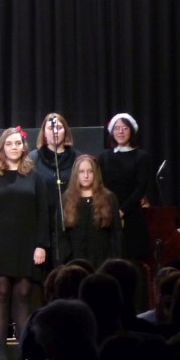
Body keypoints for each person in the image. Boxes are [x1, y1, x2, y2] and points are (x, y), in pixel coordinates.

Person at [0, 127, 49, 360]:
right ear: (2, 147)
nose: (14, 147)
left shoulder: (34, 176)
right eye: (9, 143)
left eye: (18, 143)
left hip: (27, 245)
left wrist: (41, 245)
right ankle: (1, 353)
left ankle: (24, 353)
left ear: (23, 146)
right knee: (0, 293)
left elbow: (43, 214)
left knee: (23, 295)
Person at [97, 113, 153, 261]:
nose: (120, 132)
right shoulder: (104, 156)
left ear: (131, 131)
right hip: (108, 214)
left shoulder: (141, 156)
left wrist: (122, 211)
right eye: (117, 128)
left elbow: (140, 188)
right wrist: (108, 210)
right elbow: (99, 184)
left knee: (133, 259)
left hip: (132, 214)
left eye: (125, 128)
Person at [29, 112, 82, 266]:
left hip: (71, 222)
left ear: (65, 130)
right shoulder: (33, 158)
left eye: (59, 127)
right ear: (44, 132)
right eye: (51, 128)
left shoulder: (77, 158)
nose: (55, 131)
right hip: (42, 224)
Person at [60, 155, 122, 269]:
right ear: (76, 174)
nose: (86, 176)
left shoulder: (108, 197)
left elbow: (116, 233)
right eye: (81, 172)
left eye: (90, 171)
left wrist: (114, 261)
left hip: (102, 260)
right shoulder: (66, 198)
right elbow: (60, 234)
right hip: (75, 260)